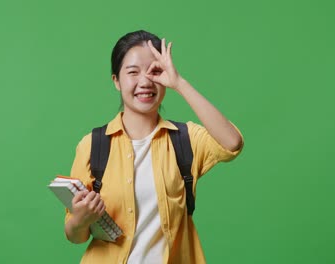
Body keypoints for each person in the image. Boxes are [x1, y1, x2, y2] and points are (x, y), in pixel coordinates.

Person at [63, 30, 244, 264]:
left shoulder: (185, 139)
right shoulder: (92, 145)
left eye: (155, 71)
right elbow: (75, 236)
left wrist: (179, 83)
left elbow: (232, 142)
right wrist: (81, 219)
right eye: (132, 72)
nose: (145, 81)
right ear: (116, 80)